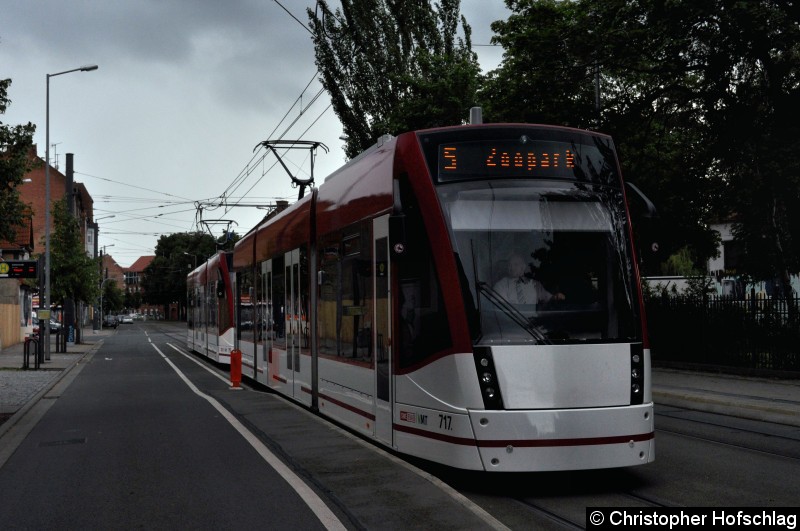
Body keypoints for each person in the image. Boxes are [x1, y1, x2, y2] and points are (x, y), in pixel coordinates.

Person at [493, 253, 564, 305]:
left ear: (523, 267)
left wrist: (556, 297)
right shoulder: (501, 285)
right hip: (512, 323)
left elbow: (548, 298)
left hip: (533, 323)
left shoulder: (534, 284)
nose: (511, 268)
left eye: (515, 264)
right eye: (509, 265)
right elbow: (502, 309)